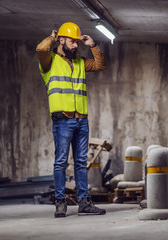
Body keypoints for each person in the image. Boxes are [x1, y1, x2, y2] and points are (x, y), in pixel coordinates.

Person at [36, 22, 107, 217]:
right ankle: (60, 203)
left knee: (80, 162)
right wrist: (51, 36)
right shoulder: (49, 61)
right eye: (71, 41)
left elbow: (101, 65)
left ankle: (84, 202)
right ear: (61, 40)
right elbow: (41, 48)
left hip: (82, 120)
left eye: (77, 42)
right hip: (62, 120)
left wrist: (92, 45)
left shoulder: (80, 63)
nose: (76, 45)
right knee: (60, 162)